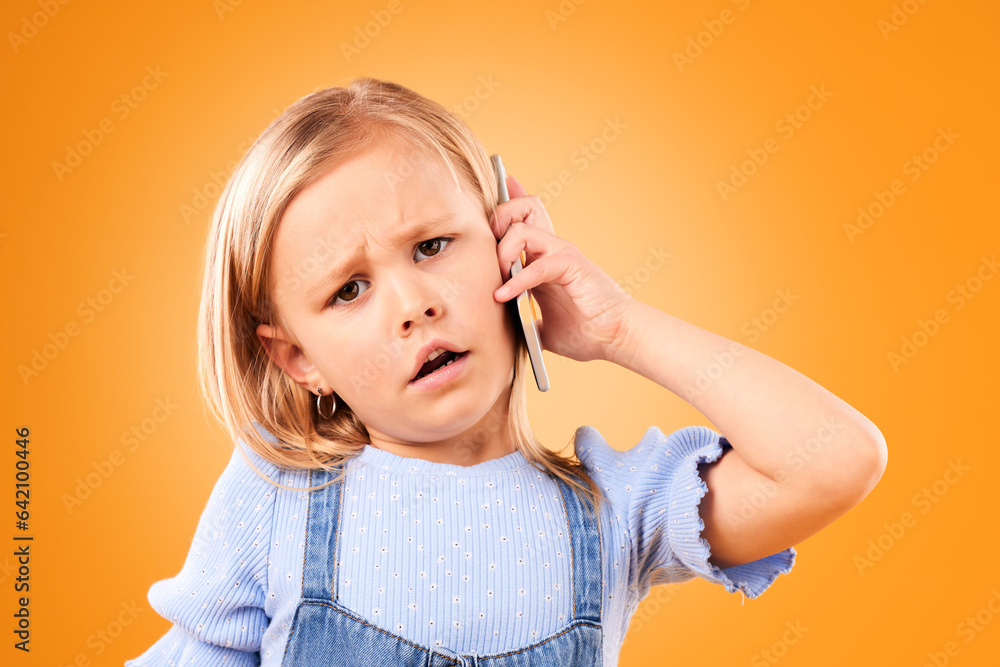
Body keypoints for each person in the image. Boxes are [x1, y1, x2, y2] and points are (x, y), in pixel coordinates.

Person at [126, 77, 887, 666]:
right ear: (298, 359)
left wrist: (617, 327)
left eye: (431, 246)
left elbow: (833, 460)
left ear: (507, 245)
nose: (414, 304)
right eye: (349, 289)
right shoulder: (275, 496)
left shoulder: (614, 510)